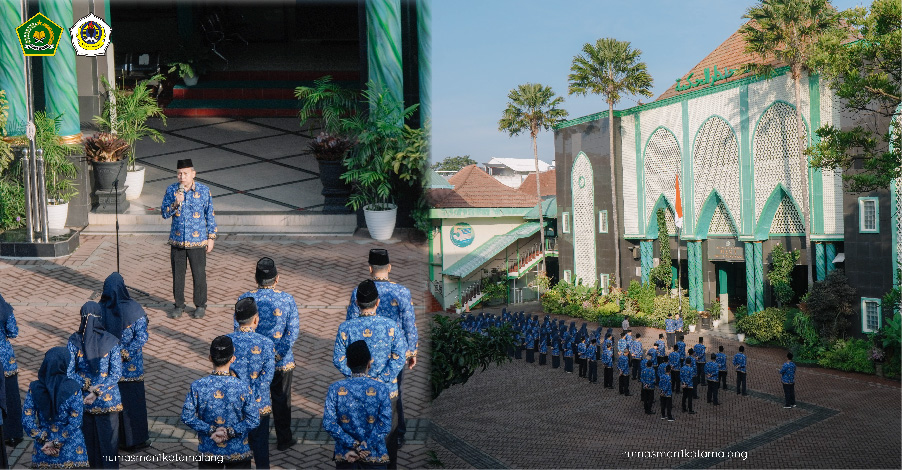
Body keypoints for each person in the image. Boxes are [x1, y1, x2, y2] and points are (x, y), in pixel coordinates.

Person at [346, 249, 418, 448]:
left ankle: (368, 431)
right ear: (389, 267)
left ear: (370, 268)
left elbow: (350, 323)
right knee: (395, 393)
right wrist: (411, 352)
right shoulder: (402, 292)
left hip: (364, 354)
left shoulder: (358, 291)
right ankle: (398, 434)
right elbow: (409, 325)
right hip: (394, 353)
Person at [334, 280, 406, 467]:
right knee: (389, 438)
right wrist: (380, 380)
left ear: (356, 303)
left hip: (354, 392)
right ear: (378, 302)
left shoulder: (345, 328)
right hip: (386, 391)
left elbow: (338, 359)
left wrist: (358, 377)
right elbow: (399, 357)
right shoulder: (390, 326)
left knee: (355, 431)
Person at [237, 257, 300, 451]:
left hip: (253, 362)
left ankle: (251, 436)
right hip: (282, 362)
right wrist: (278, 354)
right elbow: (293, 331)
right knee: (281, 399)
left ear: (256, 278)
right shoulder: (287, 299)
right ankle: (284, 439)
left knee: (251, 398)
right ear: (277, 278)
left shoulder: (245, 299)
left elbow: (238, 330)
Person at [182, 336, 259, 469]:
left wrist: (211, 430)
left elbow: (187, 417)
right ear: (232, 359)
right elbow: (254, 420)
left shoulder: (198, 386)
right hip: (238, 452)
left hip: (209, 450)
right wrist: (230, 432)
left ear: (210, 358)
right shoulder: (243, 387)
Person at [67, 302, 122, 469]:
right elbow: (116, 373)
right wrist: (98, 390)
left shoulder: (74, 341)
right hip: (108, 401)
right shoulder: (111, 341)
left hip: (83, 401)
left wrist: (87, 385)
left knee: (87, 443)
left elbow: (69, 372)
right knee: (109, 444)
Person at [98, 273, 149, 452]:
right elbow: (142, 337)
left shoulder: (99, 310)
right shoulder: (134, 310)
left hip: (109, 369)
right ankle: (136, 440)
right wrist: (125, 353)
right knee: (133, 404)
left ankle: (116, 440)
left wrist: (111, 354)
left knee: (114, 405)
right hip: (132, 368)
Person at [161, 158, 217, 319]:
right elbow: (164, 213)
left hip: (197, 241)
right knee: (178, 275)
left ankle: (200, 305)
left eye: (185, 173)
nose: (182, 177)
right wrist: (175, 203)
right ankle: (179, 305)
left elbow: (210, 215)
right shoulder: (172, 190)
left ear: (193, 174)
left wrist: (211, 237)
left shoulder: (204, 191)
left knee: (199, 274)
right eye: (179, 174)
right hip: (177, 241)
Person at [324, 340, 391, 469]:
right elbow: (385, 425)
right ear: (369, 364)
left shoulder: (335, 389)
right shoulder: (381, 389)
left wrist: (354, 445)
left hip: (346, 456)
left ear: (348, 363)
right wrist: (364, 447)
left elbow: (329, 423)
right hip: (375, 456)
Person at [23, 347, 90, 468]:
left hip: (43, 450)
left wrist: (43, 439)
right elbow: (75, 422)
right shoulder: (73, 388)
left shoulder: (34, 388)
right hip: (72, 450)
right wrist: (57, 443)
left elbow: (27, 421)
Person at [228, 298, 276, 469]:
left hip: (235, 406)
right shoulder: (266, 343)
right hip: (259, 405)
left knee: (239, 449)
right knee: (261, 446)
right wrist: (251, 395)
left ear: (236, 317)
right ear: (256, 319)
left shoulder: (226, 342)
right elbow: (267, 377)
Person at [0, 292, 22, 447]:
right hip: (6, 361)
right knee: (11, 396)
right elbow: (13, 332)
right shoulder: (5, 309)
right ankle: (12, 434)